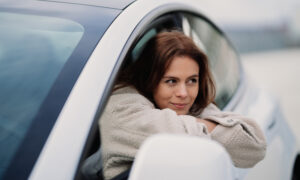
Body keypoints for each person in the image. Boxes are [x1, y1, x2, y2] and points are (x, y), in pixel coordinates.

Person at [99, 30, 266, 180]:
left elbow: (254, 145)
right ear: (148, 79)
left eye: (192, 80)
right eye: (171, 81)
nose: (183, 93)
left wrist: (191, 124)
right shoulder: (121, 106)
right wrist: (210, 126)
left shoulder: (193, 105)